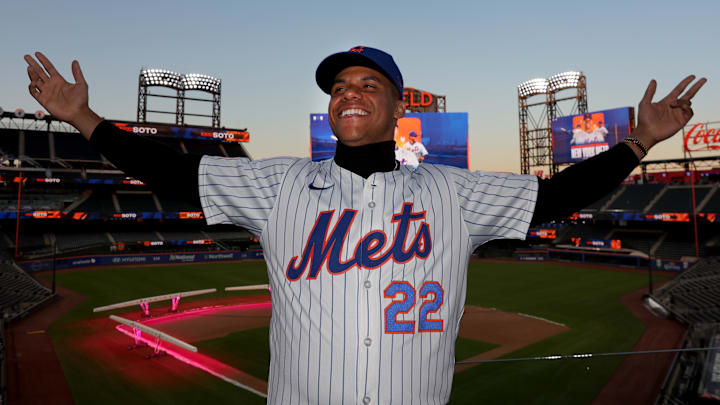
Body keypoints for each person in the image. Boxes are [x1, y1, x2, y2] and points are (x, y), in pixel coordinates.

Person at [24, 46, 705, 404]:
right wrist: (86, 120)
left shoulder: (452, 191)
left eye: (367, 84)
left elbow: (555, 198)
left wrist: (636, 144)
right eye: (338, 87)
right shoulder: (279, 182)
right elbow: (172, 173)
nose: (349, 93)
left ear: (398, 108)